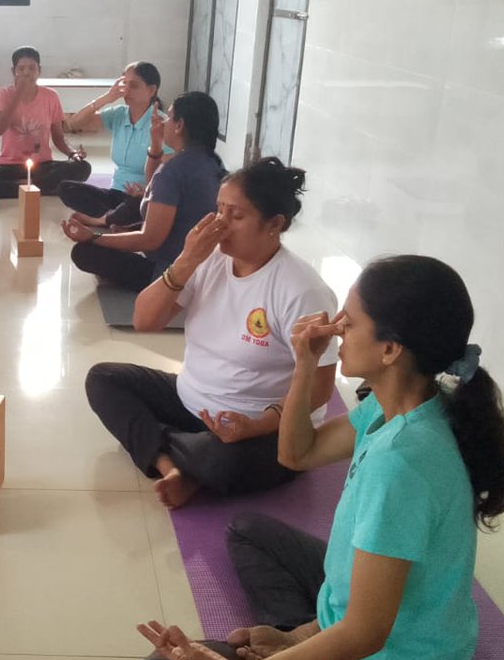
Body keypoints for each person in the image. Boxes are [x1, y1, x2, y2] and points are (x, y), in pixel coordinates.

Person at [133, 255, 504, 660]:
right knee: (249, 532)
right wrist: (302, 363)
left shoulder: (402, 465)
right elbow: (297, 453)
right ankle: (301, 639)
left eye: (350, 320)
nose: (336, 328)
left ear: (390, 350)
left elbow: (365, 633)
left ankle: (301, 654)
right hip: (376, 620)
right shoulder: (400, 407)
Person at [84, 157, 337, 508]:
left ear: (274, 224)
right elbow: (145, 320)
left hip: (260, 426)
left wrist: (256, 425)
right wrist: (186, 261)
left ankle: (173, 452)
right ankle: (172, 463)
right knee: (103, 379)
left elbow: (320, 389)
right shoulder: (209, 258)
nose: (221, 224)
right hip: (192, 400)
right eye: (218, 210)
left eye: (236, 215)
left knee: (225, 463)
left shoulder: (302, 289)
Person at [60, 91, 226, 292]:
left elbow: (150, 239)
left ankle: (107, 229)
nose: (164, 123)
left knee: (84, 252)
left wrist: (94, 237)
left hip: (172, 273)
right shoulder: (213, 163)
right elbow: (154, 189)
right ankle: (111, 223)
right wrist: (155, 144)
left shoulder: (174, 170)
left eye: (170, 118)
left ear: (180, 126)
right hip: (206, 269)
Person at [0, 46, 91, 199]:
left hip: (42, 165)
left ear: (39, 70)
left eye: (32, 68)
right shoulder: (4, 94)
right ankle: (37, 187)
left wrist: (73, 154)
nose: (26, 73)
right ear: (14, 71)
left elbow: (58, 138)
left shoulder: (51, 96)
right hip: (9, 166)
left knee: (83, 168)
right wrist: (18, 93)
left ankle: (25, 186)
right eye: (21, 68)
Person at [58, 61, 166, 230]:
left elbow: (167, 175)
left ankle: (110, 219)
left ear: (151, 90)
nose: (127, 90)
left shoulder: (161, 124)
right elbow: (74, 123)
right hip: (114, 194)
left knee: (137, 207)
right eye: (125, 84)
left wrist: (144, 191)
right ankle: (114, 218)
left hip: (140, 197)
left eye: (134, 86)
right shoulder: (119, 114)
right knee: (66, 188)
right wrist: (107, 98)